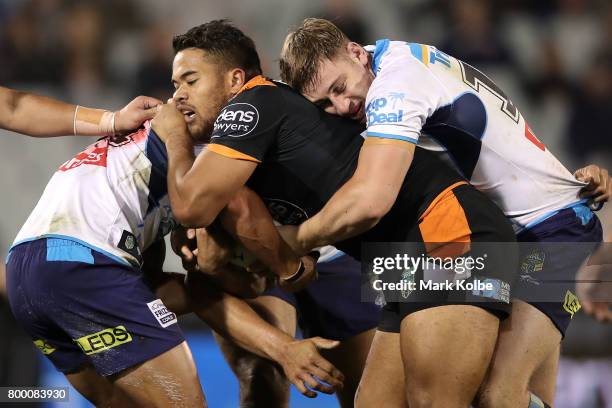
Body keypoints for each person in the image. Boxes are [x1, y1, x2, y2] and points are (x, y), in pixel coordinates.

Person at [152, 19, 520, 408]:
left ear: (234, 79)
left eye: (190, 81)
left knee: (436, 401)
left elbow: (191, 205)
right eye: (175, 85)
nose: (178, 98)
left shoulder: (251, 103)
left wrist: (175, 138)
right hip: (401, 255)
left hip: (447, 228)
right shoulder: (249, 141)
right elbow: (240, 227)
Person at [278, 18, 609, 407]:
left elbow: (372, 200)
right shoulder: (386, 61)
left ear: (354, 51)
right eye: (324, 104)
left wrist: (292, 243)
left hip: (552, 231)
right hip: (484, 233)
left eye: (339, 88)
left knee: (496, 397)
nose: (342, 106)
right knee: (375, 401)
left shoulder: (396, 83)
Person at [3, 89, 343, 406]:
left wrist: (280, 337)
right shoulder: (206, 148)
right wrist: (289, 269)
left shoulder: (140, 176)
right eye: (179, 82)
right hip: (85, 262)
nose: (179, 90)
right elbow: (231, 223)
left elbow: (184, 285)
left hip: (26, 272)